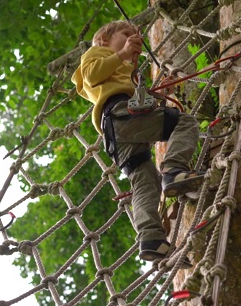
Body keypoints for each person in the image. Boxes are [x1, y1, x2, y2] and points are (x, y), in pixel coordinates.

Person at [71, 20, 203, 261]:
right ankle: (174, 169)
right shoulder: (97, 53)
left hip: (118, 135)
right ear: (104, 40)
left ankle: (151, 239)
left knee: (146, 181)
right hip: (120, 116)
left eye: (135, 37)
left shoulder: (123, 73)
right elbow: (90, 76)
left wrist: (159, 94)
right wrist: (121, 54)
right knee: (184, 123)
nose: (134, 39)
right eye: (126, 34)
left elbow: (138, 99)